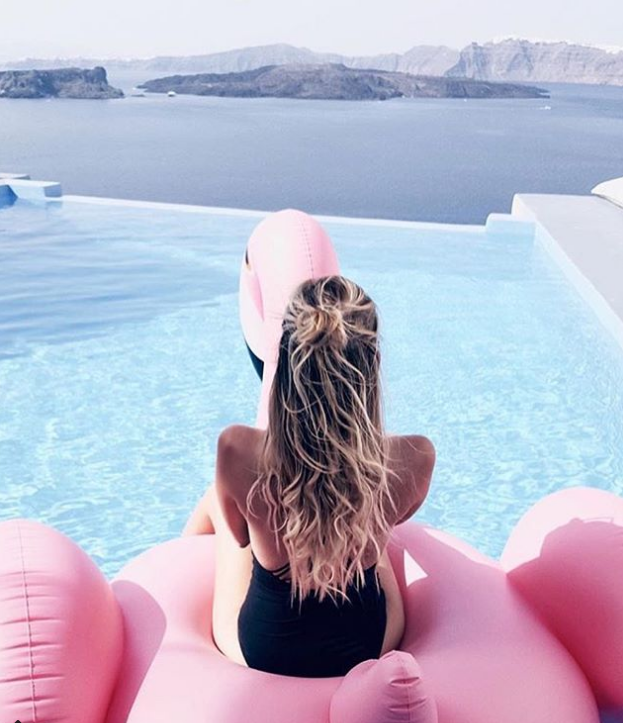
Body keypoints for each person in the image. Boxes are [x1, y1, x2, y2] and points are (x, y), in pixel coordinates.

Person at [183, 275, 435, 677]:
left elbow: (241, 537)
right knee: (369, 525)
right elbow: (397, 518)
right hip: (366, 643)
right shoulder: (414, 457)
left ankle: (174, 564)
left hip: (267, 649)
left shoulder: (238, 450)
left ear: (284, 362)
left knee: (218, 496)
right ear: (372, 365)